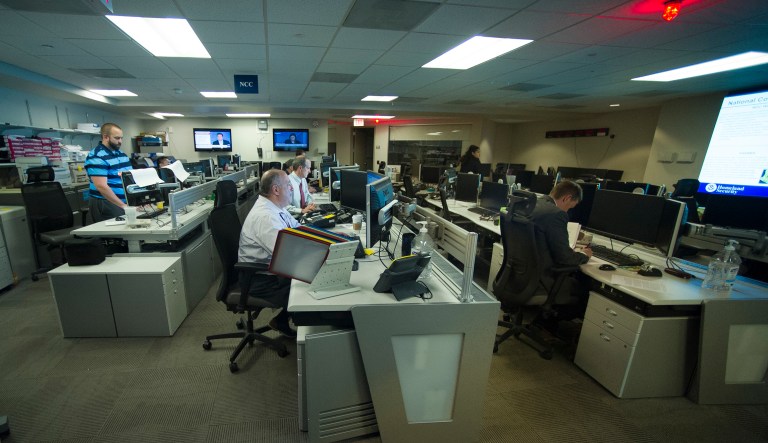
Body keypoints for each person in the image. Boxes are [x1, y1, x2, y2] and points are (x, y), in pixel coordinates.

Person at [239, 169, 299, 337]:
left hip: (270, 270)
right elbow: (286, 254)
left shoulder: (276, 207)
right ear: (276, 190)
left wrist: (323, 237)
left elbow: (297, 228)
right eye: (288, 185)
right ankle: (301, 329)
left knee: (309, 274)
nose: (291, 188)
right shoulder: (265, 217)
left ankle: (281, 321)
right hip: (259, 278)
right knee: (307, 285)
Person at [530, 181, 592, 312]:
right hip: (541, 280)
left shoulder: (532, 204)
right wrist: (584, 255)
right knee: (586, 289)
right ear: (567, 198)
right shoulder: (556, 214)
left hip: (520, 274)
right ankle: (551, 320)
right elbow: (565, 258)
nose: (568, 211)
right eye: (570, 207)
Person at [85, 123, 132, 222]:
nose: (120, 141)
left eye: (121, 138)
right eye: (117, 138)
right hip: (106, 203)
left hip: (125, 202)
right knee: (116, 231)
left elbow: (130, 178)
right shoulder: (96, 156)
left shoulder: (122, 154)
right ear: (106, 137)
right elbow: (101, 186)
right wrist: (123, 206)